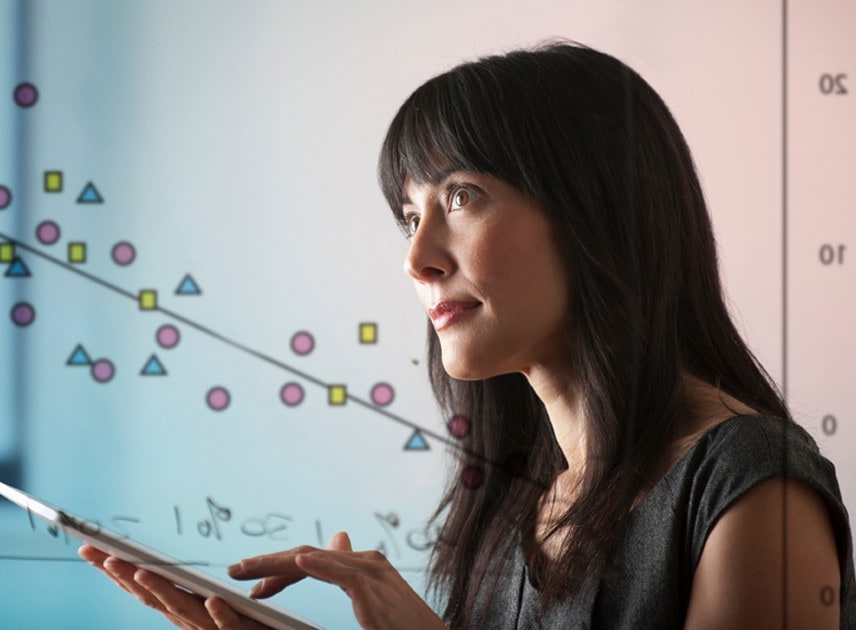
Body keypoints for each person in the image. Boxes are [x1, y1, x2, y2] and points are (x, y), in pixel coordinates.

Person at [79, 41, 856, 628]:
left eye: (462, 197)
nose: (418, 259)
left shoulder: (752, 483)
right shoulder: (512, 510)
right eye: (410, 215)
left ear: (600, 210)